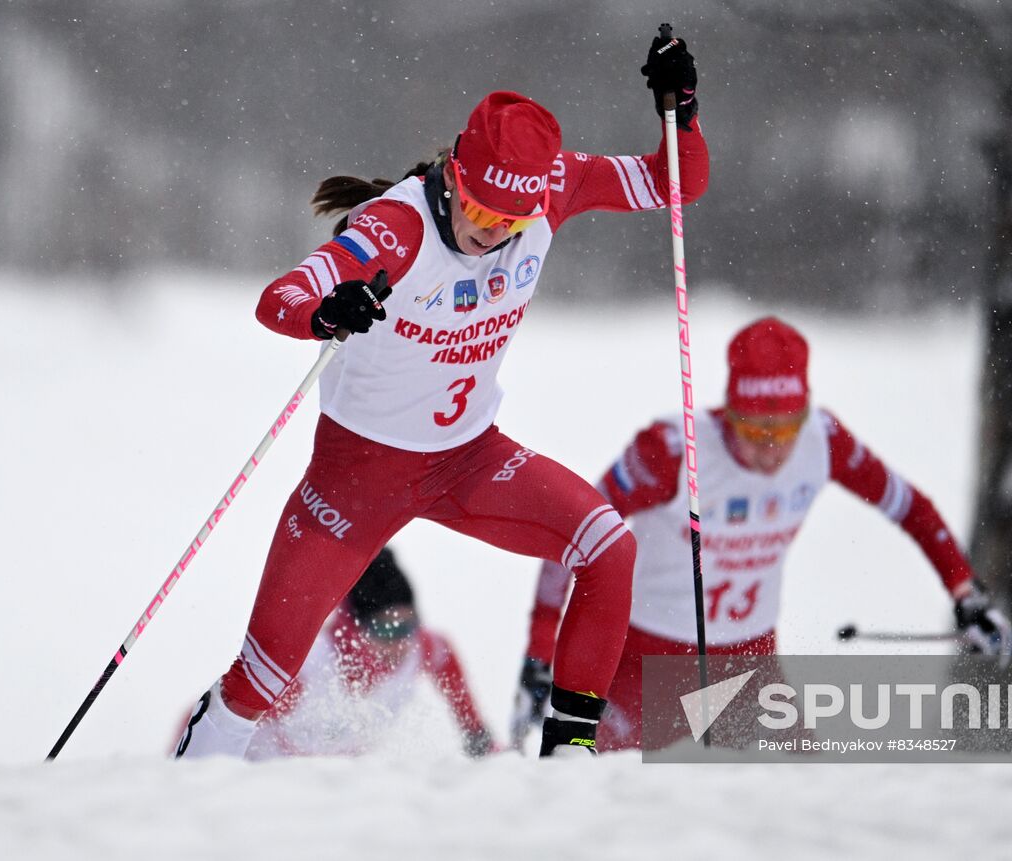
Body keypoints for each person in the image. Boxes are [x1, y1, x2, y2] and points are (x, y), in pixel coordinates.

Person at [174, 29, 708, 759]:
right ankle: (177, 795)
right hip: (354, 483)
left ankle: (570, 756)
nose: (492, 235)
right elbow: (282, 296)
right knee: (256, 686)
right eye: (482, 213)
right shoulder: (395, 227)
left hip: (467, 461)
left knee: (608, 544)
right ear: (456, 176)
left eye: (510, 223)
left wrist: (681, 115)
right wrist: (325, 312)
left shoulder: (551, 187)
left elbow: (674, 182)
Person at [510, 317, 1012, 751]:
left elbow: (911, 508)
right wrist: (541, 651)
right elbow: (570, 536)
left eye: (785, 431)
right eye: (754, 432)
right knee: (617, 815)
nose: (770, 452)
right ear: (728, 412)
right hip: (639, 668)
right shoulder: (669, 449)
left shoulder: (824, 441)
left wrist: (965, 592)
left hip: (751, 670)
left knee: (799, 813)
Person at [229, 548, 496, 760]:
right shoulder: (308, 669)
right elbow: (225, 716)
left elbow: (450, 671)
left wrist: (479, 740)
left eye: (408, 625)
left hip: (345, 781)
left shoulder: (425, 648)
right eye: (385, 630)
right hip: (273, 771)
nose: (400, 642)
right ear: (354, 629)